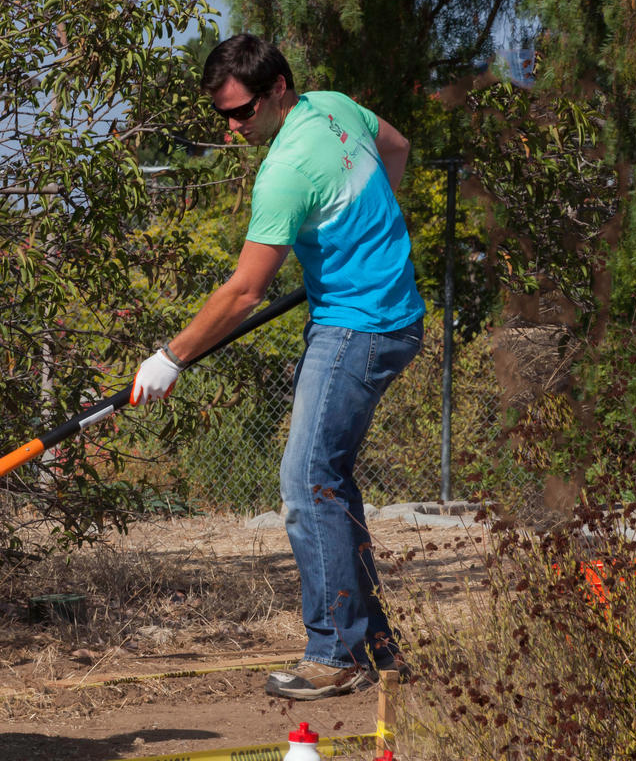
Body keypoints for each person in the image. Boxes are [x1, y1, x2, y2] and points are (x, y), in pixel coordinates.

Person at [130, 34, 424, 701]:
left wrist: (171, 357)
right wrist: (367, 235)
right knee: (329, 483)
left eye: (243, 114)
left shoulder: (286, 169)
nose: (234, 131)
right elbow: (398, 149)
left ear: (280, 89)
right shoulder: (336, 106)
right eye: (222, 117)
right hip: (394, 313)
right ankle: (374, 647)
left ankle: (335, 655)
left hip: (360, 326)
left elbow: (243, 292)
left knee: (307, 482)